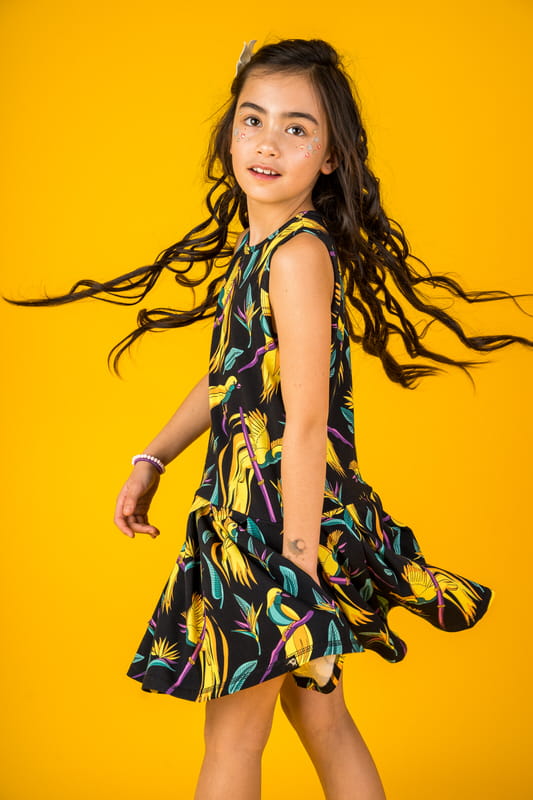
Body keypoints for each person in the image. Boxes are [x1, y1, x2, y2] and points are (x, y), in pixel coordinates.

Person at [5, 38, 533, 800]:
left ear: (331, 157)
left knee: (232, 739)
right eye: (253, 119)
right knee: (321, 720)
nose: (267, 142)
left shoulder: (295, 256)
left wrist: (294, 569)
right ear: (229, 134)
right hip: (255, 522)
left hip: (273, 533)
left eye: (296, 127)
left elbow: (309, 420)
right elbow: (232, 374)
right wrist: (152, 458)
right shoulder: (259, 252)